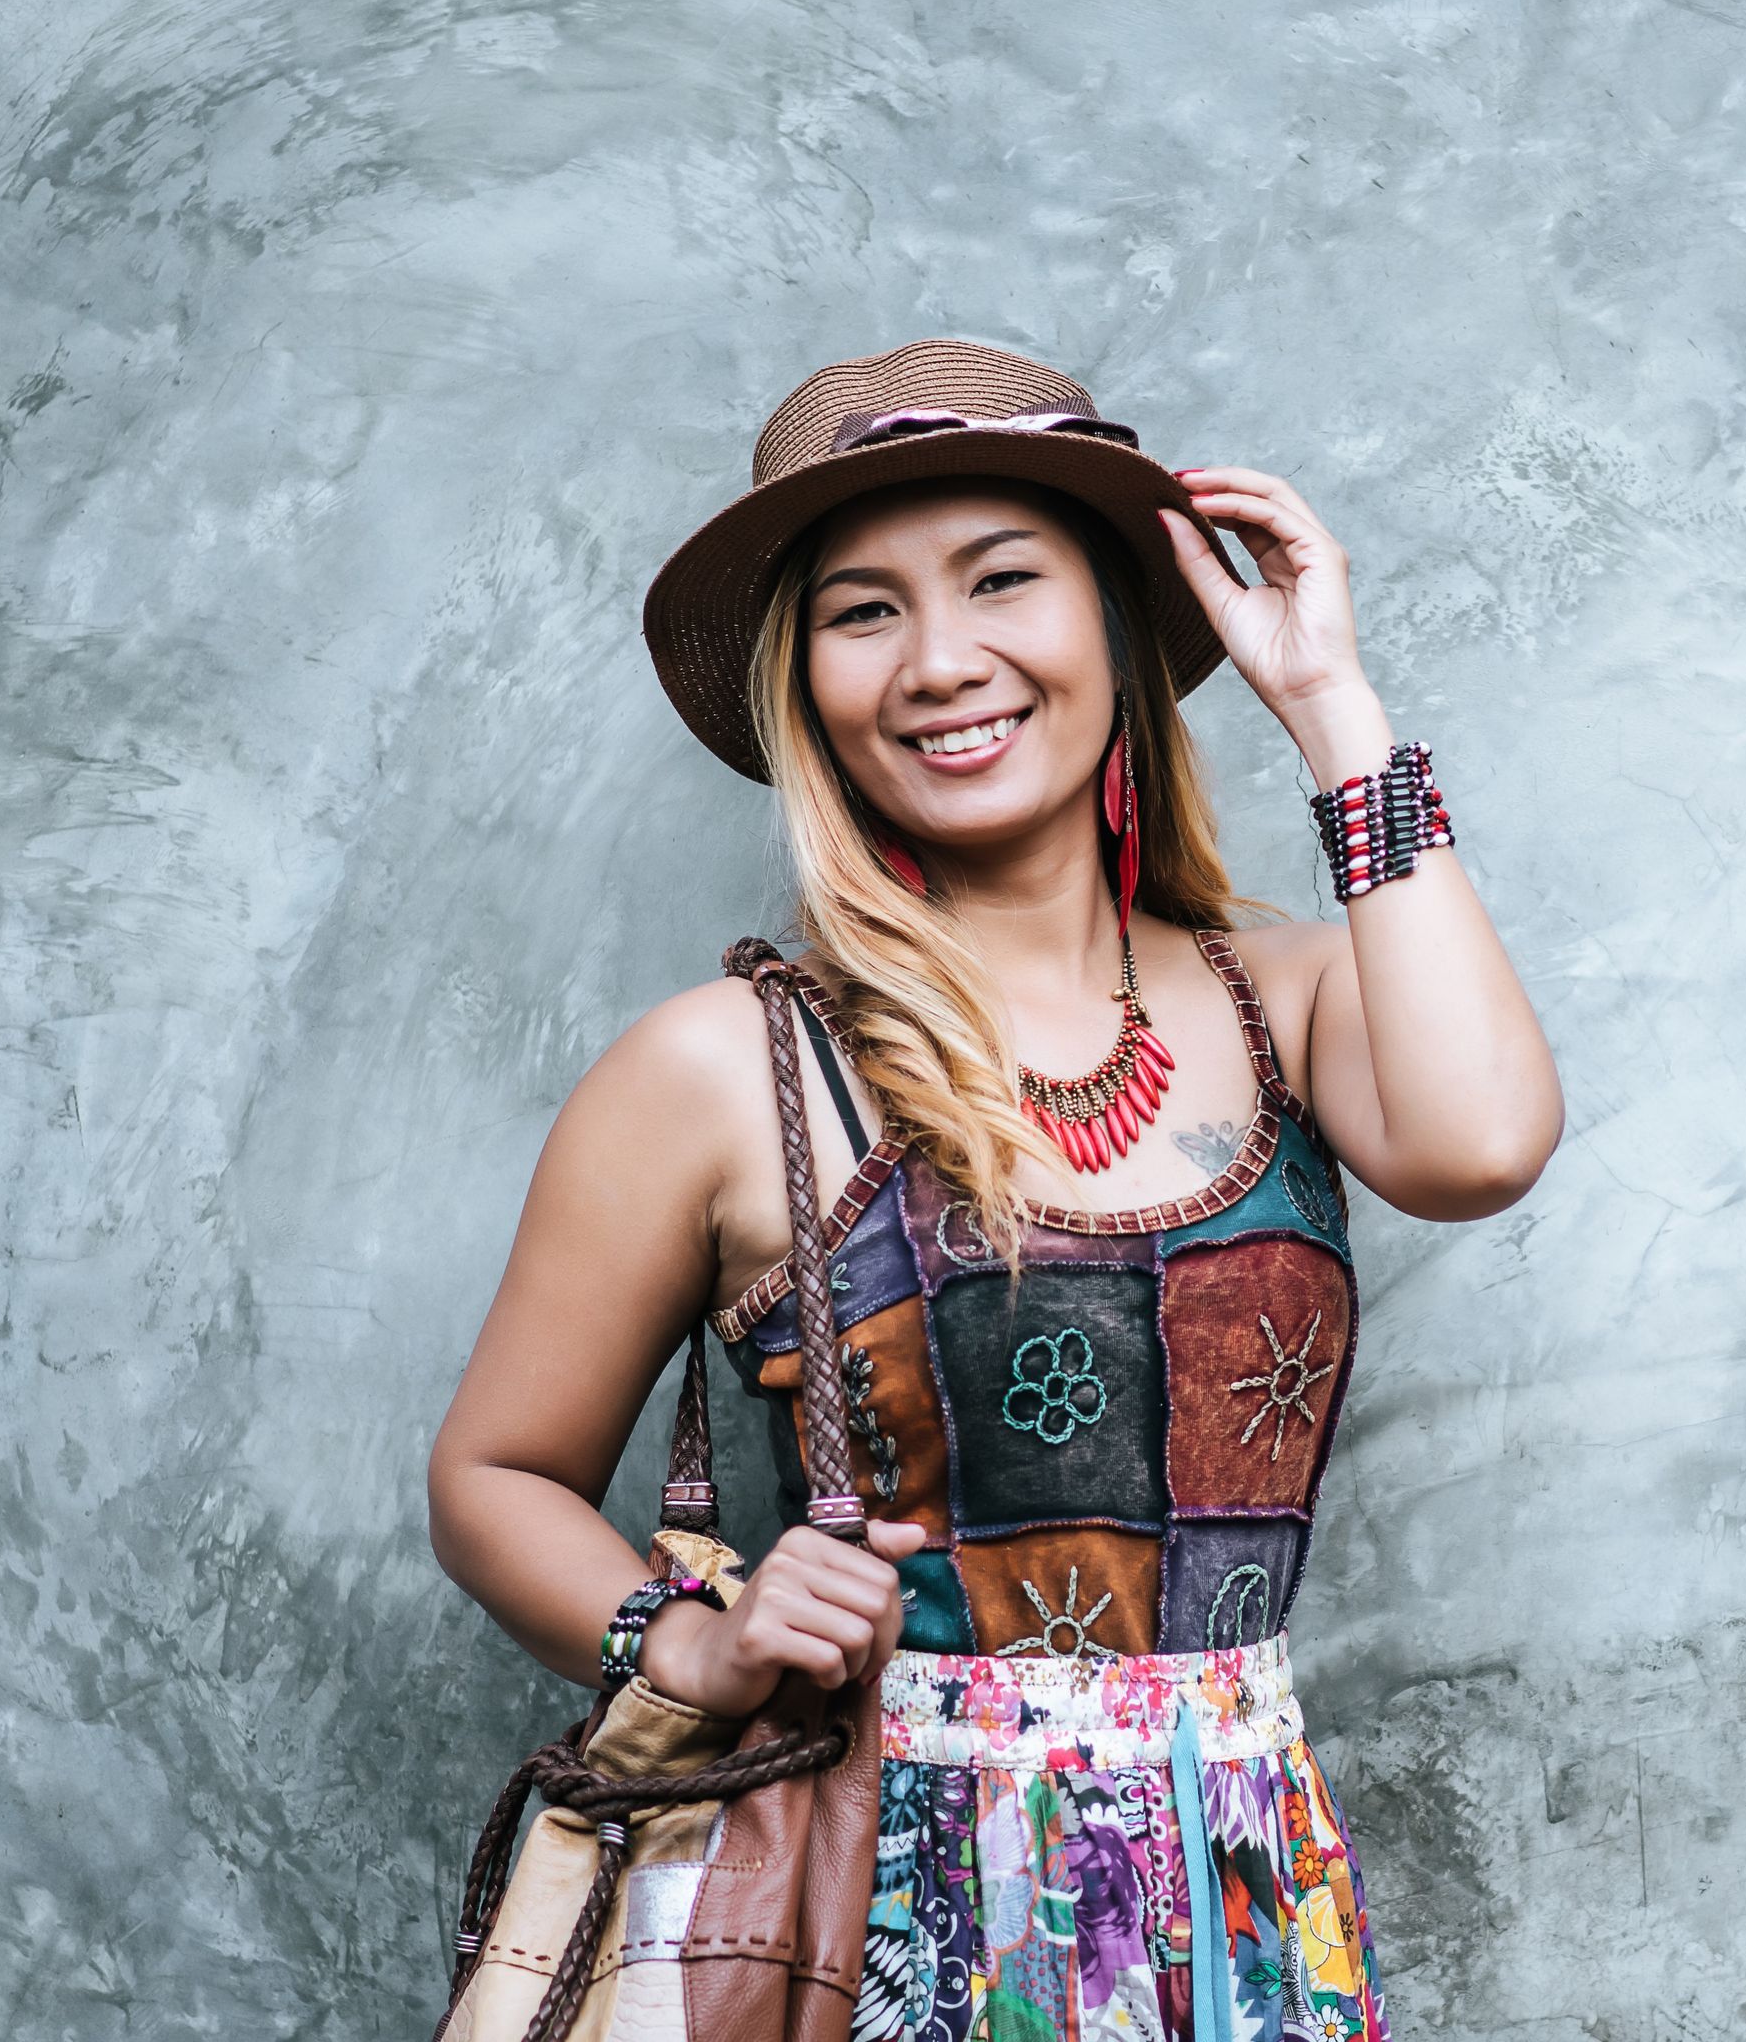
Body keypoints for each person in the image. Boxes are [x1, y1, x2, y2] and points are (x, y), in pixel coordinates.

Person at [426, 338, 1561, 2040]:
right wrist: (693, 1641)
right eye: (863, 611)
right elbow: (493, 1477)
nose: (942, 660)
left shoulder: (1290, 994)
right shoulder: (730, 1063)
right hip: (880, 1907)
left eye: (1003, 579)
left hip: (1244, 1902)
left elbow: (1481, 1147)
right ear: (806, 686)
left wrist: (1334, 711)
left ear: (1113, 617)